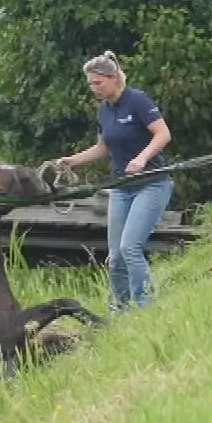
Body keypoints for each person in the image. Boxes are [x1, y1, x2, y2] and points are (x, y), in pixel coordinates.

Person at [55, 52, 173, 310]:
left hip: (152, 183)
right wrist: (72, 161)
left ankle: (145, 306)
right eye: (90, 84)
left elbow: (163, 134)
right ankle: (119, 309)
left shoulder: (137, 101)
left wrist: (141, 159)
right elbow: (103, 148)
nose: (94, 89)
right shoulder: (104, 111)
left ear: (113, 78)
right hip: (121, 187)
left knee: (130, 247)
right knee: (116, 256)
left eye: (97, 83)